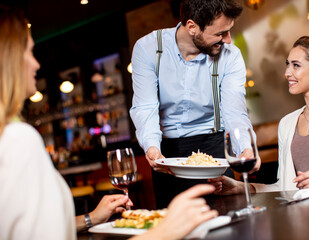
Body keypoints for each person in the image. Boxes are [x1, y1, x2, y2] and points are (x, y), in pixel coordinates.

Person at [0, 7, 218, 240]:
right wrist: (165, 231)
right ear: (8, 59)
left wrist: (91, 218)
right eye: (29, 52)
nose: (36, 64)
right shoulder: (17, 139)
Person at [130, 0, 257, 208]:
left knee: (228, 223)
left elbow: (234, 110)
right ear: (192, 27)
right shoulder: (148, 49)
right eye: (220, 33)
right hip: (168, 156)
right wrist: (152, 148)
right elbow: (145, 107)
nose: (227, 40)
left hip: (215, 150)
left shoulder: (231, 56)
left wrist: (244, 148)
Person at [208, 35, 309, 194]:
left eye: (296, 65)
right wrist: (240, 187)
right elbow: (284, 187)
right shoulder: (287, 123)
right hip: (299, 216)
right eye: (287, 64)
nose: (287, 73)